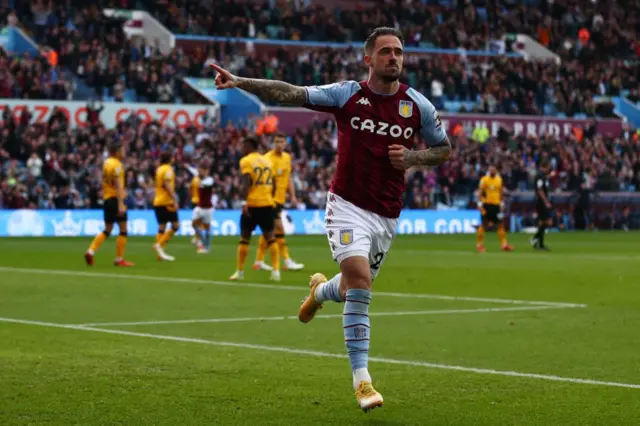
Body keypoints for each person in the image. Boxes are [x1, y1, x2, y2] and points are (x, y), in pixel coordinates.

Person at [211, 26, 452, 412]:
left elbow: (443, 149)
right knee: (360, 282)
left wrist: (412, 158)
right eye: (387, 51)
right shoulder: (348, 95)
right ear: (368, 59)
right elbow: (290, 92)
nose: (395, 58)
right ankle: (363, 382)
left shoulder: (417, 106)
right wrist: (240, 81)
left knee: (355, 285)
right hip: (346, 205)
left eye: (399, 52)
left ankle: (319, 291)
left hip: (387, 214)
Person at [229, 136, 281, 282]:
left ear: (249, 146)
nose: (241, 149)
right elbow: (275, 183)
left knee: (245, 238)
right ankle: (276, 272)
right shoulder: (268, 160)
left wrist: (244, 202)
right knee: (271, 238)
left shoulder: (246, 161)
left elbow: (247, 182)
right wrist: (270, 197)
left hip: (252, 204)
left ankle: (239, 272)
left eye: (243, 146)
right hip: (267, 203)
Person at [253, 132, 304, 272]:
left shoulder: (287, 158)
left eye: (282, 141)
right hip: (270, 200)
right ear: (273, 142)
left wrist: (292, 196)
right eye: (277, 141)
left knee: (268, 231)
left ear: (285, 143)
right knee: (279, 229)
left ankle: (258, 261)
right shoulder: (267, 159)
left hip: (280, 200)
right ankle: (287, 261)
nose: (279, 144)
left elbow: (288, 179)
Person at [84, 141, 134, 267]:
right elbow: (118, 184)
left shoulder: (106, 163)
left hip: (107, 199)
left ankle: (91, 251)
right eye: (122, 150)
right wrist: (121, 203)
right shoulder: (117, 165)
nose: (124, 152)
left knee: (107, 230)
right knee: (123, 230)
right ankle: (119, 259)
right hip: (115, 199)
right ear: (117, 152)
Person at [476, 164, 514, 252]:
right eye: (490, 170)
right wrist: (479, 203)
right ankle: (479, 245)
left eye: (493, 170)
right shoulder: (484, 180)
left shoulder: (499, 179)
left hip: (496, 205)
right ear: (489, 171)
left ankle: (504, 245)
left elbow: (500, 192)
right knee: (484, 224)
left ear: (496, 170)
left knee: (500, 224)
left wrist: (501, 203)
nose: (492, 171)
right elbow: (480, 192)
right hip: (487, 205)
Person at [153, 151, 180, 261]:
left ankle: (160, 254)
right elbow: (167, 184)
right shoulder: (168, 169)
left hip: (157, 201)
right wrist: (174, 199)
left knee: (161, 227)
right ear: (170, 159)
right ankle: (159, 245)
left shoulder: (159, 169)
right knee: (175, 226)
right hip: (166, 202)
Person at [192, 161, 215, 254]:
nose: (200, 171)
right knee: (194, 224)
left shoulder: (209, 180)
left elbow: (206, 183)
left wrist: (200, 177)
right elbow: (195, 172)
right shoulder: (201, 178)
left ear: (206, 171)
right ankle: (204, 243)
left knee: (207, 228)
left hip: (207, 208)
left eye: (203, 170)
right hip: (199, 207)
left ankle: (207, 247)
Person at [531, 160, 552, 250]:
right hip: (541, 202)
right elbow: (539, 190)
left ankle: (539, 242)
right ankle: (536, 240)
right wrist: (546, 201)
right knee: (547, 222)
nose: (549, 169)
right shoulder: (539, 176)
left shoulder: (543, 176)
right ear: (544, 167)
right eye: (548, 168)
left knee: (544, 222)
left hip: (543, 201)